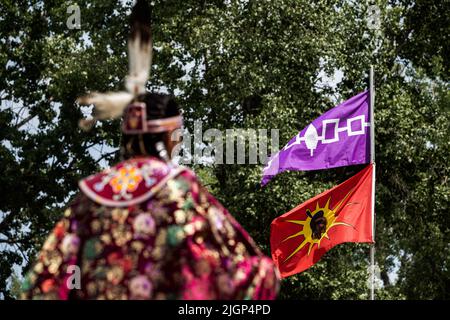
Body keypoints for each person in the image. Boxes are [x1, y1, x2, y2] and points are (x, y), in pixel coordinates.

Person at [20, 92, 280, 300]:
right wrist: (265, 272)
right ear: (168, 136)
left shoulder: (91, 193)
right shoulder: (177, 187)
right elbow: (228, 264)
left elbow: (48, 277)